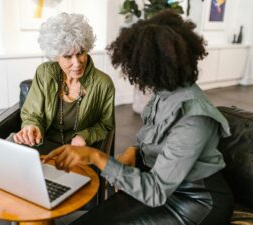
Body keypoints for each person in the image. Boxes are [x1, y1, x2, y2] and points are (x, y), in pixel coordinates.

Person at [43, 10, 234, 225]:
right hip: (165, 189)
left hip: (195, 202)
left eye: (138, 66)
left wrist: (96, 157)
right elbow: (160, 142)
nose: (134, 75)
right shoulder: (164, 92)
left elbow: (155, 191)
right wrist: (135, 150)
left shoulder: (193, 117)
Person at [0, 12, 115, 225]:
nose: (77, 62)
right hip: (41, 146)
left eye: (81, 52)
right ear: (55, 55)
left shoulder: (103, 84)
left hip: (74, 154)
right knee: (11, 149)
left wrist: (85, 135)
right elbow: (31, 113)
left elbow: (106, 125)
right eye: (67, 56)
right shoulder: (45, 73)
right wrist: (32, 127)